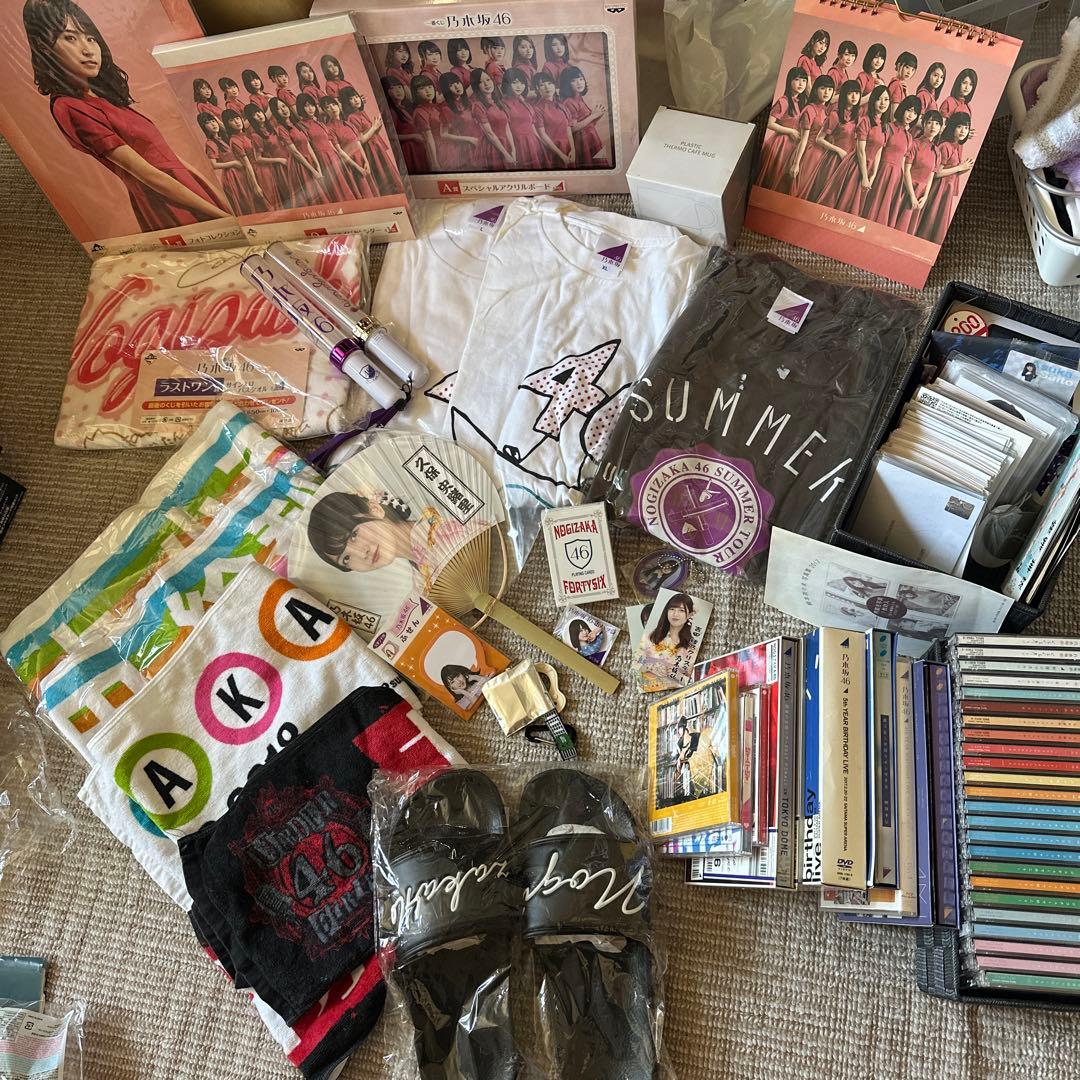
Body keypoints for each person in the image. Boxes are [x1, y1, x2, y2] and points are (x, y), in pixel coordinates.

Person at [23, 0, 230, 230]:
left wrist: (216, 197)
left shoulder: (102, 99)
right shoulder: (71, 107)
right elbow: (150, 177)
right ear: (44, 47)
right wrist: (219, 215)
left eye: (90, 38)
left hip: (190, 191)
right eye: (70, 38)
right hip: (170, 204)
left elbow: (169, 155)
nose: (88, 49)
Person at [306, 490, 478, 594]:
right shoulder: (421, 584)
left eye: (354, 535)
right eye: (346, 558)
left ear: (375, 509)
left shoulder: (449, 531)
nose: (361, 553)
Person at [821, 84, 890, 217]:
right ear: (872, 100)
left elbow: (878, 151)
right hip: (857, 166)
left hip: (869, 168)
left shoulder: (884, 126)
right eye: (879, 99)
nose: (883, 103)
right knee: (845, 204)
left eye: (886, 99)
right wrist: (864, 176)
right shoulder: (865, 121)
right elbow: (860, 150)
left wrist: (873, 174)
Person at [916, 110, 973, 244]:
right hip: (939, 189)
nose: (963, 131)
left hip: (946, 189)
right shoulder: (945, 146)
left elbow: (951, 171)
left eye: (966, 128)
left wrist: (963, 169)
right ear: (952, 127)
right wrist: (960, 168)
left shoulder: (956, 146)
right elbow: (937, 173)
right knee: (930, 221)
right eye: (959, 126)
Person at [863, 95, 920, 227]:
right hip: (882, 172)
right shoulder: (887, 127)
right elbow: (878, 152)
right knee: (872, 207)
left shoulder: (909, 137)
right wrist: (873, 174)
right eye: (909, 110)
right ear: (902, 109)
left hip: (896, 178)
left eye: (915, 113)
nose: (911, 115)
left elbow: (904, 166)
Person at [806, 79, 860, 204]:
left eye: (857, 93)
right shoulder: (835, 115)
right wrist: (838, 150)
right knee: (825, 198)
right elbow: (819, 139)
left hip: (849, 162)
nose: (854, 96)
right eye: (850, 93)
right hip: (834, 160)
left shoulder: (858, 117)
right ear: (844, 95)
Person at [295, 91, 354, 202]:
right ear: (301, 108)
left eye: (312, 105)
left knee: (346, 185)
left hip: (334, 156)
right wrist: (317, 167)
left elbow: (330, 142)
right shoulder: (301, 126)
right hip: (323, 159)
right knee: (336, 190)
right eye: (306, 106)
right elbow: (309, 148)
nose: (311, 108)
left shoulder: (320, 122)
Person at [343, 85, 401, 193]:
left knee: (388, 173)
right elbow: (361, 140)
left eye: (356, 96)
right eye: (351, 98)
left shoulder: (361, 113)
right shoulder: (351, 118)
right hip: (370, 150)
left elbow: (372, 133)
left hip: (376, 146)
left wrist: (378, 125)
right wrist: (374, 127)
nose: (356, 100)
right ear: (346, 103)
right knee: (382, 175)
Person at [756, 67, 806, 190]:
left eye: (804, 80)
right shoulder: (784, 101)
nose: (801, 84)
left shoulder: (799, 103)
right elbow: (770, 123)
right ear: (789, 81)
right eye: (797, 80)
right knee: (772, 178)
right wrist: (790, 131)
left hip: (791, 147)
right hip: (780, 145)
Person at [267, 94, 322, 206]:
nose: (283, 110)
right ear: (275, 113)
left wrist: (317, 166)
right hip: (300, 166)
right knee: (311, 198)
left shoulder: (297, 124)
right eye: (279, 109)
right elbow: (295, 153)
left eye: (284, 106)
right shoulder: (281, 129)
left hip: (309, 160)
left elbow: (308, 145)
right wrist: (313, 170)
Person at [319, 95, 376, 198]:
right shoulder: (329, 128)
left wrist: (366, 161)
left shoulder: (348, 123)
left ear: (338, 106)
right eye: (328, 107)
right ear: (325, 111)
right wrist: (357, 167)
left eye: (334, 105)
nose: (332, 108)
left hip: (362, 161)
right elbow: (339, 151)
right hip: (350, 164)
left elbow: (358, 143)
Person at [788, 74, 835, 199]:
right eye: (823, 88)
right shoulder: (810, 109)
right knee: (798, 192)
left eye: (830, 89)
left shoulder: (826, 110)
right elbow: (803, 140)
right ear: (815, 90)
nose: (827, 92)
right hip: (808, 154)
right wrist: (796, 163)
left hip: (821, 156)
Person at [896, 108, 942, 233]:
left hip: (920, 195)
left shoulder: (937, 152)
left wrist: (925, 196)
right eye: (929, 122)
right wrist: (912, 196)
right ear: (923, 124)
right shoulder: (914, 144)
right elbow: (906, 170)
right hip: (906, 190)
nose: (933, 126)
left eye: (937, 123)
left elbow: (930, 177)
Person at [638, 592, 697, 686]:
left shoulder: (691, 648)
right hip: (647, 685)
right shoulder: (651, 636)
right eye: (672, 609)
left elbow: (692, 681)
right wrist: (652, 665)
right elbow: (637, 663)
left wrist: (676, 674)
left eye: (681, 610)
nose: (675, 614)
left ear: (689, 615)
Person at [198, 111, 248, 215]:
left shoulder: (224, 137)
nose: (213, 124)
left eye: (213, 121)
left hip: (241, 172)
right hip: (232, 176)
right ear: (204, 127)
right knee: (244, 204)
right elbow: (214, 165)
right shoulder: (211, 143)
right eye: (208, 123)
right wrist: (234, 163)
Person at [243, 102, 290, 209]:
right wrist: (279, 160)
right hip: (280, 166)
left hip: (289, 159)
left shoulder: (272, 126)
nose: (259, 115)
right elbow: (258, 158)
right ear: (251, 119)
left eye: (259, 112)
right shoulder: (255, 135)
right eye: (255, 115)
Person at [559, 65, 605, 166]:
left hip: (590, 138)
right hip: (582, 141)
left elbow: (587, 124)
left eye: (581, 79)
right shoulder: (569, 102)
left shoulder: (578, 98)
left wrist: (597, 115)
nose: (579, 83)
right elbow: (573, 128)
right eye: (573, 80)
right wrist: (593, 116)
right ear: (567, 84)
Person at [221, 106, 265, 211]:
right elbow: (247, 164)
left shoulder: (245, 135)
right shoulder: (234, 140)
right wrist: (255, 186)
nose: (237, 122)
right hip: (253, 174)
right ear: (228, 125)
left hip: (260, 170)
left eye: (237, 118)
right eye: (232, 120)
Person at [437, 72, 482, 171]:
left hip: (479, 141)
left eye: (457, 82)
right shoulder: (446, 108)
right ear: (446, 90)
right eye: (451, 85)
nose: (457, 86)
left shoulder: (469, 102)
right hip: (465, 146)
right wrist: (469, 139)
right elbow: (443, 134)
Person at [470, 67, 513, 167]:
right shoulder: (478, 106)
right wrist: (505, 154)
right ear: (476, 86)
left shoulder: (498, 102)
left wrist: (513, 149)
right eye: (481, 82)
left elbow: (507, 127)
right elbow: (490, 134)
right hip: (492, 146)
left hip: (505, 142)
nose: (486, 84)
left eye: (488, 79)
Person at [502, 67, 543, 169]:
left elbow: (532, 125)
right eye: (515, 82)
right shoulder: (503, 104)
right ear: (507, 84)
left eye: (522, 83)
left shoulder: (525, 103)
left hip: (532, 142)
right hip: (517, 144)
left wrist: (540, 141)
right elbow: (506, 130)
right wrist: (513, 149)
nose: (519, 86)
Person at [532, 71, 573, 167]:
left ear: (554, 85)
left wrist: (573, 150)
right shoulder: (537, 108)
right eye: (542, 85)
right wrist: (561, 155)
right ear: (537, 89)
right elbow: (542, 135)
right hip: (552, 151)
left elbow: (568, 129)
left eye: (549, 83)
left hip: (568, 148)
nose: (547, 87)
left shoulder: (561, 105)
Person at [409, 73, 442, 171]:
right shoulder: (420, 112)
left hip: (445, 147)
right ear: (416, 93)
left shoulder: (436, 107)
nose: (428, 90)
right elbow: (428, 138)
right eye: (422, 88)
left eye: (430, 87)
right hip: (436, 151)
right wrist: (435, 163)